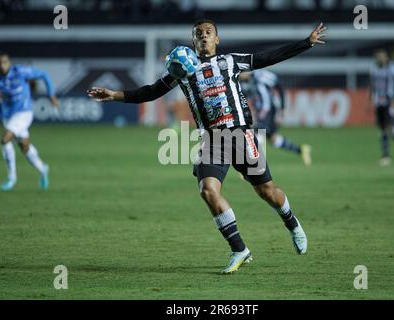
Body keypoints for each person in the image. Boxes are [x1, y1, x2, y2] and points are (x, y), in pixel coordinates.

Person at [87, 20, 326, 274]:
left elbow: (267, 58)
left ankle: (292, 223)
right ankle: (239, 249)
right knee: (207, 190)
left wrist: (305, 43)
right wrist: (114, 95)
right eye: (198, 34)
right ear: (193, 42)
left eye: (208, 33)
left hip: (240, 135)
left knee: (268, 192)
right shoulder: (182, 71)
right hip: (211, 140)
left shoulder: (231, 62)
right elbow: (150, 92)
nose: (203, 36)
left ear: (217, 39)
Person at [0, 53, 59, 191]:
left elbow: (44, 75)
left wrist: (51, 95)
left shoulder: (20, 72)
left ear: (10, 63)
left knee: (5, 139)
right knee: (24, 146)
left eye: (5, 62)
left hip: (24, 113)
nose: (2, 66)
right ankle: (43, 168)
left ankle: (11, 177)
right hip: (8, 116)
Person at [240, 69, 312, 166]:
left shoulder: (259, 76)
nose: (239, 75)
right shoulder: (246, 82)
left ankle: (255, 166)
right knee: (273, 139)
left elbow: (278, 85)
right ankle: (301, 150)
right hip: (264, 111)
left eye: (240, 73)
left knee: (257, 135)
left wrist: (281, 107)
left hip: (267, 110)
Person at [370, 49, 394, 166]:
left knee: (389, 127)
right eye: (377, 57)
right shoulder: (374, 68)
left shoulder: (393, 68)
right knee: (382, 129)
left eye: (381, 56)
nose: (379, 59)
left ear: (386, 57)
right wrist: (370, 99)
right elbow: (373, 85)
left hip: (389, 102)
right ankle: (387, 155)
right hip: (379, 103)